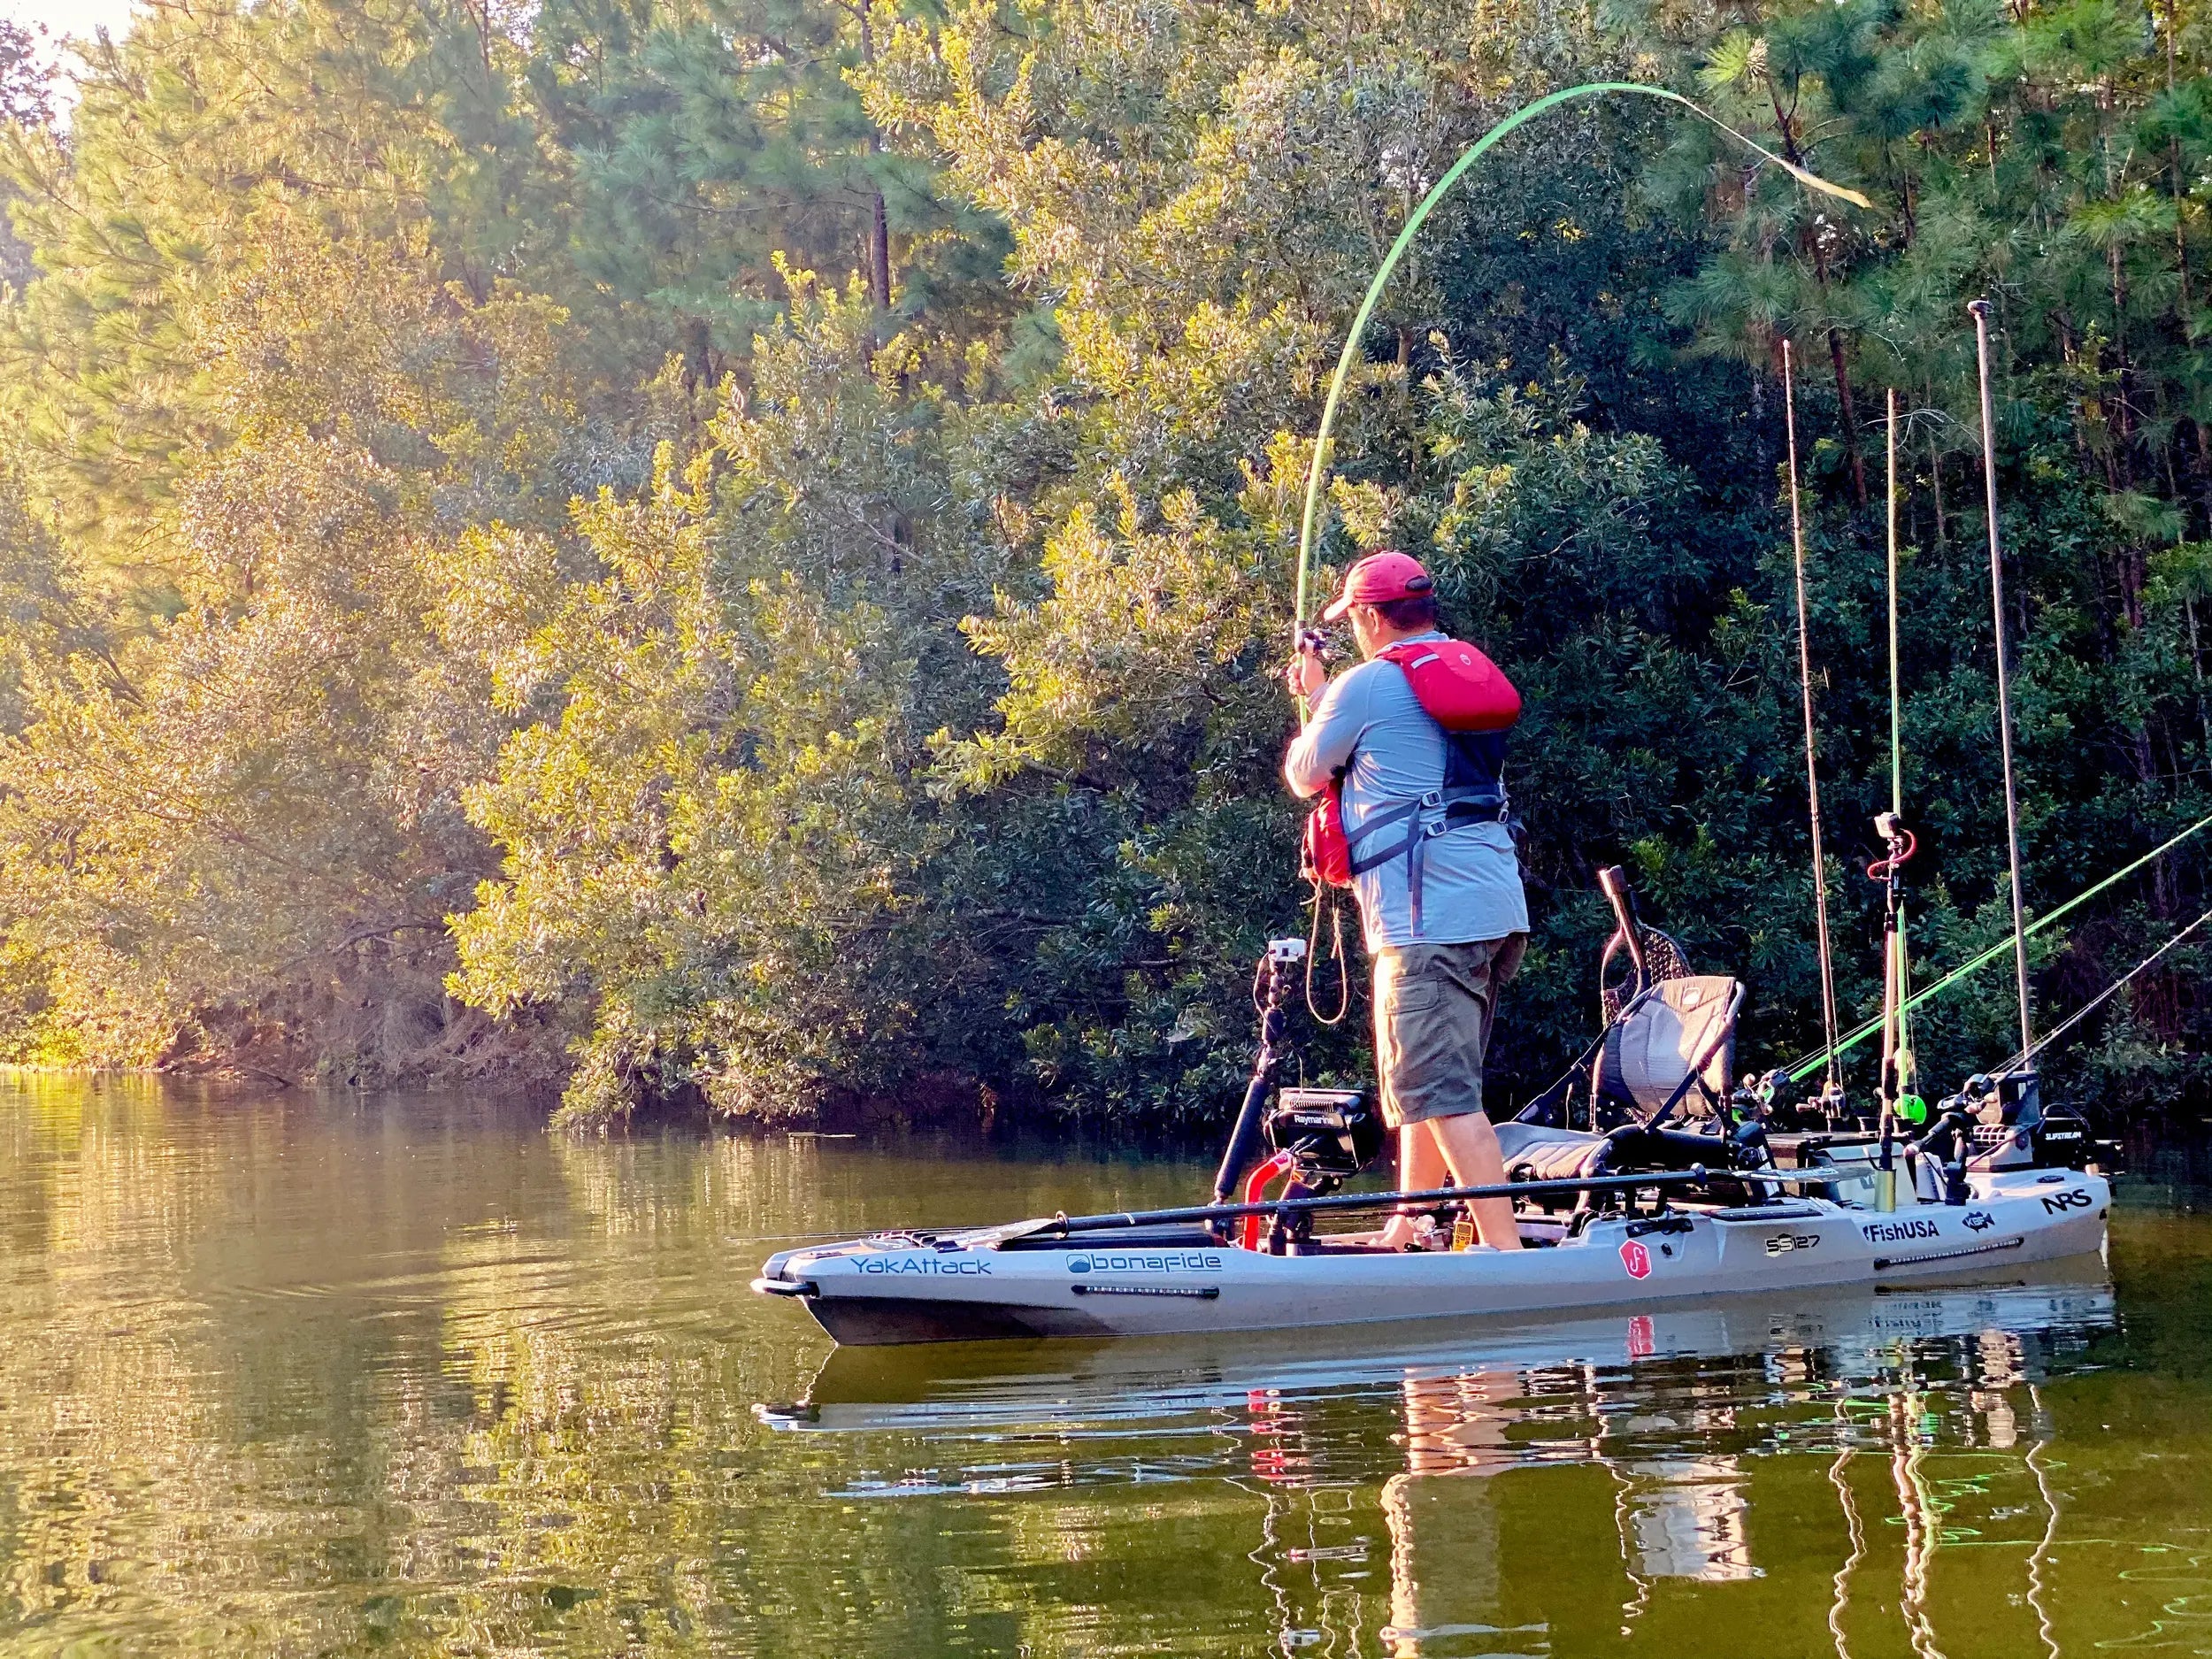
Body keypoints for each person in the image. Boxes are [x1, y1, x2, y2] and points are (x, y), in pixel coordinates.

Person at [1283, 551, 1528, 1249]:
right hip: (1494, 908)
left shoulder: (1364, 685)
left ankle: (1507, 1260)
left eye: (1353, 618)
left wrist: (1316, 694)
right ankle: (1408, 1223)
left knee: (1447, 1095)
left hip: (1426, 921)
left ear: (1367, 616)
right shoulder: (1462, 664)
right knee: (1424, 1076)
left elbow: (1307, 773)